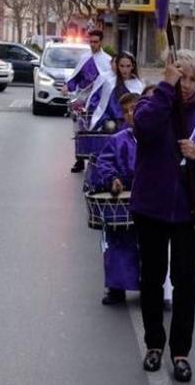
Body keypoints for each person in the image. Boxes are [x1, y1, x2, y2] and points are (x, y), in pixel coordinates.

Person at [131, 50, 195, 383]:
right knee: (152, 278)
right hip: (151, 208)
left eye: (192, 79)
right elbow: (143, 129)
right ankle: (154, 344)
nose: (186, 85)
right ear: (171, 74)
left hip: (190, 212)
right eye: (181, 76)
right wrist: (165, 87)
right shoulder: (152, 107)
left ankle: (180, 351)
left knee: (185, 282)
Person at [87, 93, 140, 305]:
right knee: (117, 244)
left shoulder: (157, 137)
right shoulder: (117, 140)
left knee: (151, 247)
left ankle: (154, 289)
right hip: (123, 201)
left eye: (134, 109)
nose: (130, 114)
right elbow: (104, 163)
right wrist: (112, 180)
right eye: (126, 111)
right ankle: (116, 288)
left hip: (150, 199)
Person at [64, 29, 112, 172]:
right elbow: (76, 77)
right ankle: (79, 159)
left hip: (99, 101)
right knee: (79, 129)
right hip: (83, 99)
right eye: (90, 42)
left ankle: (98, 158)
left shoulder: (108, 61)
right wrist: (68, 86)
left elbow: (109, 81)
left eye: (95, 42)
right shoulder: (85, 58)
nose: (92, 44)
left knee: (99, 129)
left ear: (101, 42)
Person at [86, 51, 144, 132]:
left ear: (133, 66)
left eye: (128, 66)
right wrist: (106, 120)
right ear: (117, 66)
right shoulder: (110, 84)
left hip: (135, 123)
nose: (125, 69)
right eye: (122, 66)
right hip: (114, 123)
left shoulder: (139, 85)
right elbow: (102, 108)